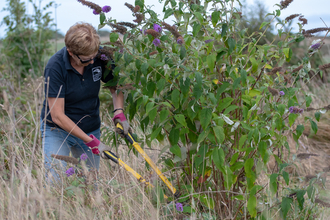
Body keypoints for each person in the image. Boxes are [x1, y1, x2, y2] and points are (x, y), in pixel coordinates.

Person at [40, 22, 130, 181]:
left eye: (93, 57)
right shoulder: (55, 67)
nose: (91, 63)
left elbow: (116, 85)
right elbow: (58, 116)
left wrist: (119, 111)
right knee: (54, 180)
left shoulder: (99, 56)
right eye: (86, 60)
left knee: (90, 183)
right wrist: (91, 142)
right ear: (71, 52)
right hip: (58, 131)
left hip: (90, 127)